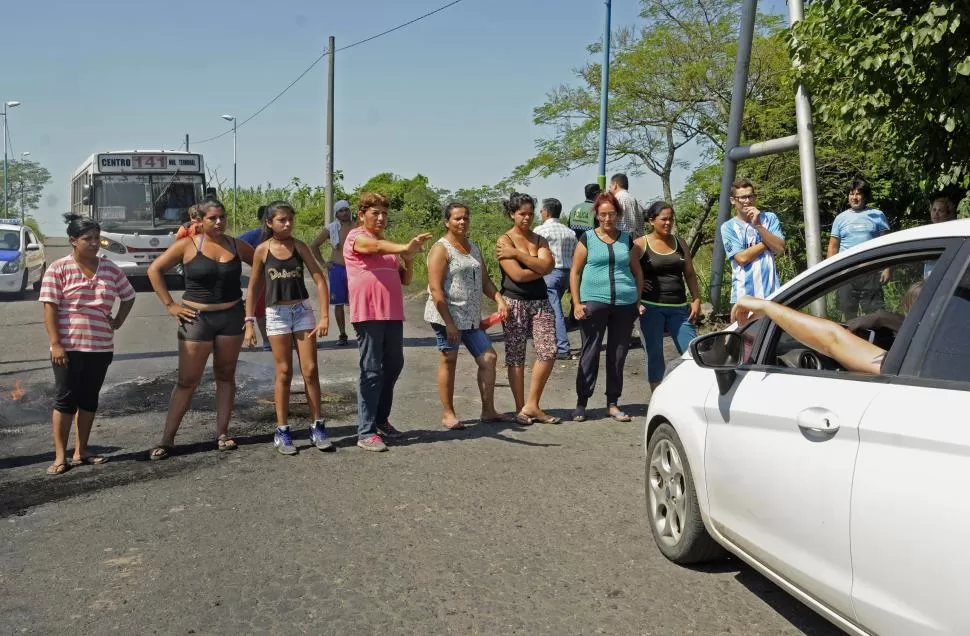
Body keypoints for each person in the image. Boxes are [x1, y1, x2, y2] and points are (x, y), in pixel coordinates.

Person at [146, 199, 256, 460]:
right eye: (213, 218)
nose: (219, 222)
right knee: (187, 381)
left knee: (226, 376)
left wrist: (251, 309)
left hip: (231, 317)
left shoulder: (235, 244)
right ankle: (167, 439)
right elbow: (154, 270)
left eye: (222, 217)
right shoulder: (187, 245)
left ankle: (222, 434)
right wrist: (170, 304)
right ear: (201, 221)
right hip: (196, 320)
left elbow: (261, 267)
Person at [39, 214, 136, 475]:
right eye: (87, 239)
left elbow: (128, 296)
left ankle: (82, 450)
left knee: (89, 399)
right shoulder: (58, 268)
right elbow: (50, 309)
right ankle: (61, 456)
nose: (94, 243)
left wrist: (117, 321)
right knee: (65, 400)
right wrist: (55, 343)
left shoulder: (110, 268)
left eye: (97, 238)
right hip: (68, 347)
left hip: (101, 346)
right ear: (73, 241)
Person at [345, 192, 433, 452]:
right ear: (362, 215)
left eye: (384, 213)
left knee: (394, 365)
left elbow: (406, 279)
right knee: (371, 370)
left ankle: (381, 419)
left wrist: (408, 257)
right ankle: (366, 431)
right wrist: (404, 247)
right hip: (369, 314)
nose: (381, 218)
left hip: (393, 313)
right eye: (375, 213)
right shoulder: (356, 237)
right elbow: (371, 247)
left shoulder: (387, 243)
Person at [244, 201, 332, 455]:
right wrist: (249, 322)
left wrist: (325, 316)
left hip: (301, 311)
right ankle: (282, 430)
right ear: (269, 223)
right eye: (282, 220)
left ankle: (318, 426)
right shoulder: (262, 250)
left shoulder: (299, 247)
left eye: (290, 219)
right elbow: (253, 288)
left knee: (310, 370)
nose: (288, 223)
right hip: (277, 315)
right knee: (283, 372)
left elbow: (318, 277)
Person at [425, 202, 513, 429]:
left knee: (489, 358)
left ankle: (488, 410)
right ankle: (448, 414)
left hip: (471, 317)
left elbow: (485, 281)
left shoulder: (473, 247)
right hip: (447, 317)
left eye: (465, 218)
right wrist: (449, 324)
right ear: (447, 222)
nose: (462, 222)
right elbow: (435, 290)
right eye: (457, 218)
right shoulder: (441, 249)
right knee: (449, 360)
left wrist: (499, 299)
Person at [731, 280, 923, 375]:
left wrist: (767, 306)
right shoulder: (944, 350)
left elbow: (833, 340)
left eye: (911, 314)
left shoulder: (915, 363)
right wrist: (881, 318)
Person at [569, 192, 644, 422]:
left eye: (611, 214)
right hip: (594, 301)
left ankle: (612, 403)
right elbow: (575, 271)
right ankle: (582, 402)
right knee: (590, 352)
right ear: (597, 215)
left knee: (618, 354)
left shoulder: (625, 239)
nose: (607, 219)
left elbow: (637, 271)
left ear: (618, 214)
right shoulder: (587, 239)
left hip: (624, 302)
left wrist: (637, 300)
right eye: (603, 214)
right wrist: (576, 303)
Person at [497, 192, 560, 425]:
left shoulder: (539, 238)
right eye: (522, 214)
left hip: (541, 301)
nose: (526, 218)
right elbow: (518, 275)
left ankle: (532, 404)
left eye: (530, 214)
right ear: (512, 214)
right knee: (516, 356)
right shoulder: (504, 240)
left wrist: (518, 254)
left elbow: (547, 266)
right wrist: (542, 267)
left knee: (548, 350)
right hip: (514, 302)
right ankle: (519, 408)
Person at [636, 201, 702, 391]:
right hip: (651, 307)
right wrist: (637, 285)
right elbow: (626, 270)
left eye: (671, 219)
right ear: (651, 221)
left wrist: (696, 300)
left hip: (679, 308)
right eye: (663, 219)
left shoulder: (679, 242)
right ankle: (657, 394)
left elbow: (689, 273)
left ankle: (694, 391)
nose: (668, 223)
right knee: (654, 352)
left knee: (691, 350)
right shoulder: (641, 244)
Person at [827, 178, 890, 318]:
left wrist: (888, 268)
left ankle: (874, 340)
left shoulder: (877, 215)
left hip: (871, 272)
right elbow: (832, 247)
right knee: (849, 316)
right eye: (851, 194)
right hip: (847, 274)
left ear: (865, 196)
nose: (854, 198)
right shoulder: (840, 218)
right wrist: (831, 273)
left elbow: (887, 243)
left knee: (874, 315)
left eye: (858, 194)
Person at [721, 178, 786, 303]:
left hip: (772, 294)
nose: (748, 201)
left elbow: (780, 249)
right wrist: (768, 243)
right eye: (743, 197)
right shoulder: (728, 227)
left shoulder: (769, 218)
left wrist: (758, 226)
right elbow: (742, 258)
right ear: (733, 200)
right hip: (744, 297)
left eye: (751, 196)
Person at [533, 197, 578, 360]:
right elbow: (575, 254)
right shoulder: (570, 232)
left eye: (541, 211)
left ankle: (563, 348)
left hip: (550, 273)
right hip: (567, 273)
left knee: (556, 311)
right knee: (554, 309)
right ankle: (555, 342)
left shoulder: (540, 231)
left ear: (546, 212)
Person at [311, 199, 354, 346]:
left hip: (356, 269)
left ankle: (361, 332)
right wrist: (324, 264)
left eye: (346, 210)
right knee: (339, 304)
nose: (344, 213)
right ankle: (342, 334)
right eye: (340, 211)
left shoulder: (358, 226)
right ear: (336, 214)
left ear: (350, 210)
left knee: (357, 302)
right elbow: (314, 245)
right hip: (337, 268)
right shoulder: (332, 228)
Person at [238, 205, 271, 349]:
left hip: (283, 279)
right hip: (262, 280)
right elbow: (234, 245)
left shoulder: (284, 236)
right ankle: (267, 341)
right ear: (261, 219)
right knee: (261, 311)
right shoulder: (253, 235)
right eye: (266, 216)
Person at [609, 173, 644, 238]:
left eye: (610, 186)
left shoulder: (617, 198)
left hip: (620, 237)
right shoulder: (633, 198)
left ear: (615, 185)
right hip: (633, 237)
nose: (609, 189)